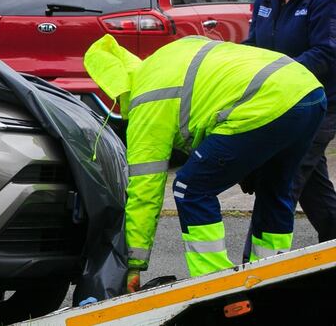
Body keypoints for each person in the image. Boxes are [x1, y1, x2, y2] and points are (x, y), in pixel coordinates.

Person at [83, 34, 325, 292]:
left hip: (266, 101)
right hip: (307, 91)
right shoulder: (167, 58)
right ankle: (271, 276)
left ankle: (216, 283)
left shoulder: (148, 97)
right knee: (275, 189)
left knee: (190, 188)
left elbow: (145, 188)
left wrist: (132, 263)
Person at [243, 0, 336, 246]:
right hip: (280, 101)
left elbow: (326, 53)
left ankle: (254, 264)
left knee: (282, 180)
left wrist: (278, 73)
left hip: (320, 104)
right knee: (313, 186)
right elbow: (254, 45)